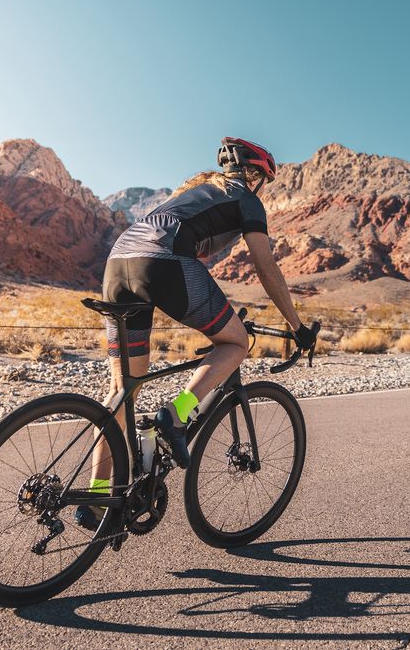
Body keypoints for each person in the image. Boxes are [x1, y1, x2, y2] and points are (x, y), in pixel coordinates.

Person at [78, 137, 316, 529]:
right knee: (235, 341)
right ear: (257, 177)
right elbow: (266, 267)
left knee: (123, 390)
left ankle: (98, 494)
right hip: (162, 263)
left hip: (117, 264)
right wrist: (297, 326)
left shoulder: (196, 195)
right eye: (264, 182)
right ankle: (175, 416)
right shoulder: (246, 199)